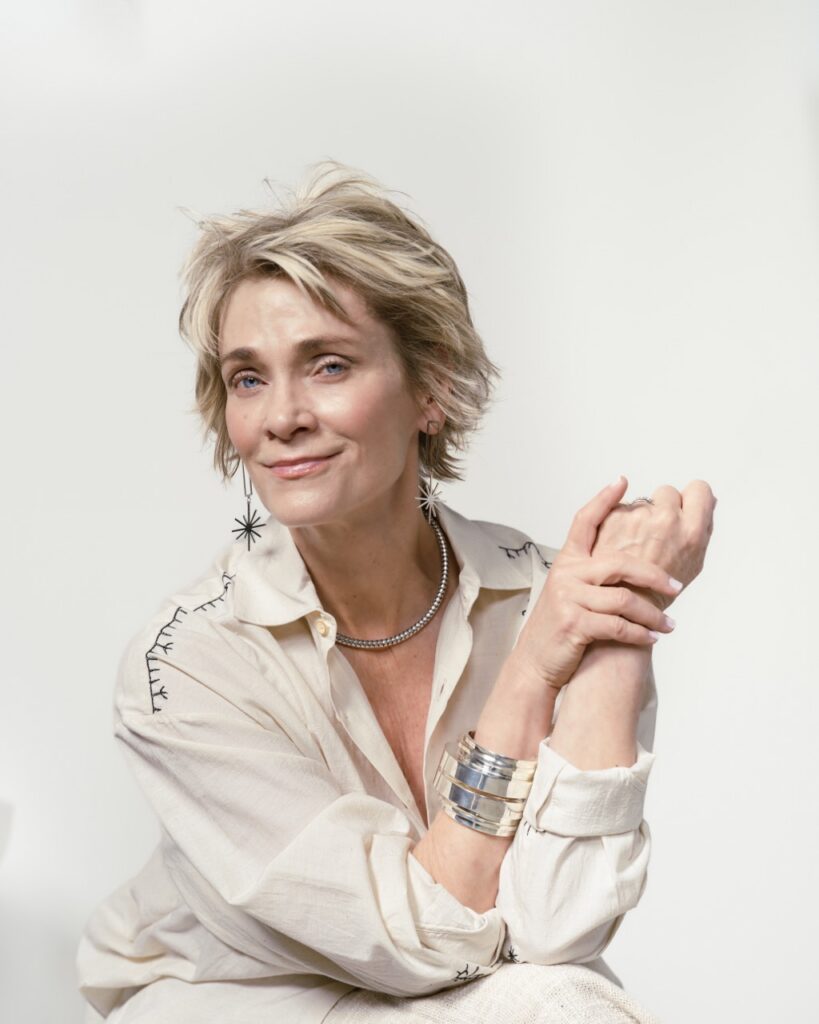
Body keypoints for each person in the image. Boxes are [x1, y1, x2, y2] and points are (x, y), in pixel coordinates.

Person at [76, 162, 715, 1023]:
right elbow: (412, 938)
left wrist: (617, 627)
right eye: (248, 378)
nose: (281, 417)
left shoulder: (549, 593)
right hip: (232, 1002)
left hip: (441, 995)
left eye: (328, 365)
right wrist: (530, 674)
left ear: (431, 386)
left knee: (568, 1002)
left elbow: (564, 924)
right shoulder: (184, 664)